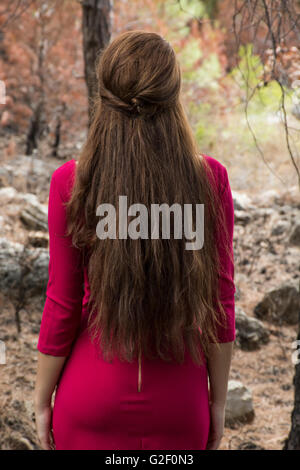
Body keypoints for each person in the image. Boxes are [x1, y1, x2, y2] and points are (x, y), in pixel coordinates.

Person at [34, 30, 235, 451]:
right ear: (173, 94)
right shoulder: (208, 180)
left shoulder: (73, 182)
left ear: (104, 95)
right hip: (180, 403)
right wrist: (217, 403)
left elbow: (63, 302)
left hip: (91, 396)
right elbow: (221, 302)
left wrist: (40, 400)